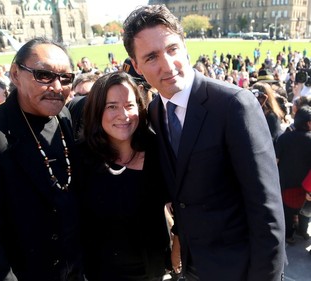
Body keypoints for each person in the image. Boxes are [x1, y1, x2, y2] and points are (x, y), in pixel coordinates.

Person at [123, 5, 285, 281]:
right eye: (151, 57)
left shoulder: (233, 105)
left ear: (185, 46)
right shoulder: (154, 112)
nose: (167, 64)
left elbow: (266, 209)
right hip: (193, 267)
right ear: (136, 66)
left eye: (172, 49)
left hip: (241, 270)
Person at [0, 37, 84, 281]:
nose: (57, 86)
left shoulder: (64, 116)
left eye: (66, 78)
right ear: (15, 74)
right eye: (44, 75)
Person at [74, 71, 170, 281]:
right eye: (112, 107)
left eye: (129, 105)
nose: (123, 115)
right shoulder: (79, 158)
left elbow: (184, 202)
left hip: (153, 271)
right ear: (97, 111)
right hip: (100, 273)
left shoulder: (157, 150)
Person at [275, 105, 311, 244]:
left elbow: (275, 161)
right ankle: (302, 231)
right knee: (305, 211)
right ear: (308, 122)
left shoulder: (284, 138)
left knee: (288, 212)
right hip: (306, 186)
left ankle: (288, 235)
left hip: (286, 184)